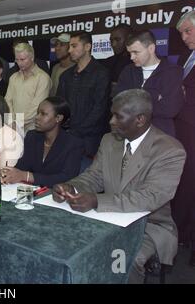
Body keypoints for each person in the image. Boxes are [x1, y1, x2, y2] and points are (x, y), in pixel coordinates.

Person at [52, 89, 186, 284]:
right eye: (111, 114)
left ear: (140, 119)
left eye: (118, 116)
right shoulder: (109, 140)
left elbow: (150, 197)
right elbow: (94, 176)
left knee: (120, 259)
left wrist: (98, 200)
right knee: (66, 244)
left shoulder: (170, 150)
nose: (111, 122)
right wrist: (71, 188)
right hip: (106, 217)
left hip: (149, 225)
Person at [0, 97, 83, 187]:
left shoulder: (73, 143)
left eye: (43, 114)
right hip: (32, 192)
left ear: (58, 118)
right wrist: (8, 173)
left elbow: (67, 178)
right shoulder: (32, 137)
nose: (37, 117)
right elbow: (22, 167)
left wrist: (27, 176)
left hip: (57, 196)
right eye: (38, 113)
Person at [56, 31, 110, 169]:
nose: (69, 50)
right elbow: (59, 106)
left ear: (87, 47)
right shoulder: (66, 76)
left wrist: (77, 131)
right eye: (69, 46)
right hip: (67, 139)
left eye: (74, 46)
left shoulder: (101, 73)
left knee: (85, 183)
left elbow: (100, 108)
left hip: (90, 141)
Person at [115, 30, 184, 137]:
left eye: (136, 52)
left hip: (161, 137)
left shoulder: (173, 71)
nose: (132, 57)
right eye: (130, 53)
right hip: (131, 135)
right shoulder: (128, 71)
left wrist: (134, 103)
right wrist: (155, 97)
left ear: (151, 48)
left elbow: (170, 109)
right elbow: (118, 101)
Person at [173, 10, 195, 266]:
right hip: (183, 132)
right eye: (181, 33)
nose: (184, 37)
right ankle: (182, 235)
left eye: (188, 31)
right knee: (186, 185)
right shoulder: (186, 57)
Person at [5, 42, 51, 133]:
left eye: (23, 59)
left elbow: (37, 107)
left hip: (33, 129)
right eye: (17, 60)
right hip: (13, 128)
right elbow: (7, 101)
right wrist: (11, 122)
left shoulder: (43, 78)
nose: (19, 63)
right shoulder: (13, 77)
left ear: (32, 58)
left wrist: (17, 123)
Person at [100, 24, 133, 93]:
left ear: (129, 38)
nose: (113, 44)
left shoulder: (138, 62)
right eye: (111, 41)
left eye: (117, 40)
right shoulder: (106, 63)